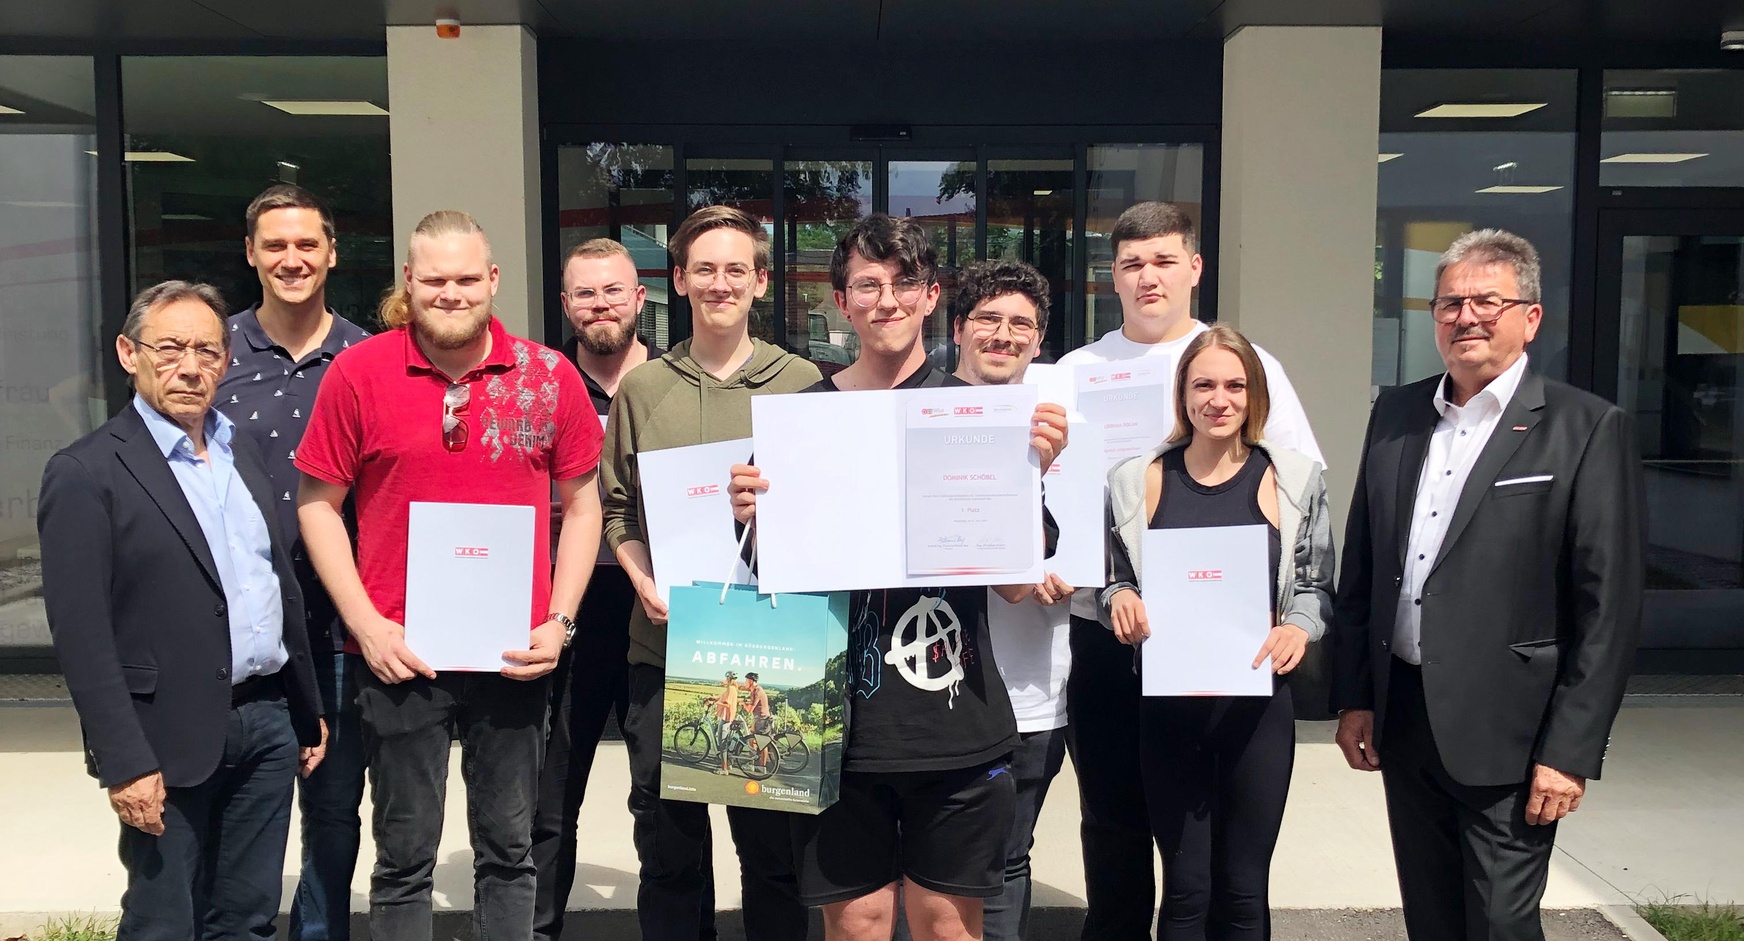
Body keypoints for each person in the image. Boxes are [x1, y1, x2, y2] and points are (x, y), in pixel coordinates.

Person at [727, 214, 1069, 941]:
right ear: (841, 302)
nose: (887, 300)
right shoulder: (799, 421)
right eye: (867, 285)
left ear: (931, 296)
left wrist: (1027, 477)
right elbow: (772, 574)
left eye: (904, 283)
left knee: (950, 928)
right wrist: (748, 516)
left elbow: (1013, 585)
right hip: (832, 725)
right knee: (857, 927)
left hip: (955, 722)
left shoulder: (970, 413)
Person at [295, 210, 605, 940]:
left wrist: (559, 621)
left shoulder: (546, 375)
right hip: (399, 652)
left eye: (468, 278)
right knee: (404, 857)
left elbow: (584, 508)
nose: (452, 293)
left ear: (493, 280)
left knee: (510, 851)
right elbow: (318, 506)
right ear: (410, 281)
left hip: (515, 654)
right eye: (435, 280)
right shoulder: (359, 373)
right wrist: (365, 624)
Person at [1329, 229, 1644, 941]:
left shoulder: (1586, 427)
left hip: (1514, 732)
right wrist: (1355, 696)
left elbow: (1609, 610)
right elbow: (1367, 567)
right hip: (1405, 717)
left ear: (1529, 316)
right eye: (1450, 303)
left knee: (1500, 922)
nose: (1466, 316)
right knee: (1433, 916)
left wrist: (1570, 750)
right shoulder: (1398, 414)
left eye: (1487, 301)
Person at [1055, 201, 1323, 941]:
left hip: (1226, 642)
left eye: (1165, 260)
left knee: (1215, 851)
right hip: (1107, 630)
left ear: (1195, 268)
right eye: (1133, 263)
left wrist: (1294, 615)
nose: (1149, 277)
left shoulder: (1247, 360)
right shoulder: (1076, 371)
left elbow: (1302, 497)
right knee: (1112, 815)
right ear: (1114, 275)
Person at [38, 280, 327, 940]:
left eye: (206, 349)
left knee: (248, 919)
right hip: (163, 739)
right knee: (163, 922)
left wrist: (305, 710)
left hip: (267, 721)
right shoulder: (87, 472)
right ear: (127, 352)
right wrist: (124, 760)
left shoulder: (241, 450)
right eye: (168, 349)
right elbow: (81, 637)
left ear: (227, 360)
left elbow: (271, 582)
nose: (190, 367)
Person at [599, 205, 820, 941]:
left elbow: (827, 514)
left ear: (759, 281)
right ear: (681, 280)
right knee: (669, 853)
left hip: (770, 655)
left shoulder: (804, 384)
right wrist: (641, 580)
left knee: (774, 860)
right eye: (704, 269)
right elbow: (619, 510)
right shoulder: (641, 389)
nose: (719, 283)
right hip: (664, 653)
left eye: (735, 270)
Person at [1099, 325, 1334, 940]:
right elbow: (1110, 578)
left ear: (1254, 394)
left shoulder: (1295, 479)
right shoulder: (1136, 480)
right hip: (1168, 713)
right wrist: (1119, 598)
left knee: (1243, 893)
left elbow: (1315, 584)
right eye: (1204, 385)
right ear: (1183, 395)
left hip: (1257, 711)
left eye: (1235, 385)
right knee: (1184, 893)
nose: (1219, 399)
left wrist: (1300, 628)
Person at [216, 183, 372, 941]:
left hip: (338, 620)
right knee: (238, 807)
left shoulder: (371, 357)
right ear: (250, 253)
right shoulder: (212, 355)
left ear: (332, 253)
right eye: (274, 245)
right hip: (239, 626)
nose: (292, 258)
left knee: (335, 813)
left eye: (307, 244)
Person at [532, 236, 665, 941]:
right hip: (569, 607)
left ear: (640, 297)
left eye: (613, 290)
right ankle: (539, 929)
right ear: (565, 305)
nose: (600, 304)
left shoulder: (673, 382)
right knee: (553, 797)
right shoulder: (542, 386)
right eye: (584, 293)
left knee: (663, 798)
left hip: (659, 610)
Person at [948, 259, 1075, 941]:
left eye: (1020, 322)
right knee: (927, 869)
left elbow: (1097, 536)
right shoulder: (922, 411)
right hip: (930, 691)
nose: (1003, 334)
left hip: (1028, 687)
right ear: (960, 327)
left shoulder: (1065, 426)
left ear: (1039, 337)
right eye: (989, 319)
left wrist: (1078, 566)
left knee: (1005, 860)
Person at [715, 672, 744, 774]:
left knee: (722, 744)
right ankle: (728, 763)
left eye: (726, 677)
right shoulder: (732, 688)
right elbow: (723, 698)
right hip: (727, 718)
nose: (725, 679)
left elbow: (727, 704)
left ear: (729, 678)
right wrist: (714, 698)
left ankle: (724, 769)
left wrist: (716, 703)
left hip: (726, 718)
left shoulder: (731, 689)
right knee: (724, 742)